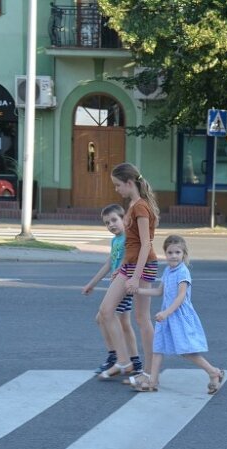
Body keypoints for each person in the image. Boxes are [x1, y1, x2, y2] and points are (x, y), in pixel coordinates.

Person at [132, 235, 224, 394]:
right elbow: (159, 291)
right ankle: (152, 381)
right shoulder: (168, 270)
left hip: (178, 316)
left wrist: (166, 312)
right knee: (158, 347)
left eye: (177, 252)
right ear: (165, 254)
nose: (173, 256)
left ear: (184, 254)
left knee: (186, 351)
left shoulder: (183, 272)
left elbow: (181, 296)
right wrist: (139, 290)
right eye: (170, 252)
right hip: (166, 317)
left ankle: (213, 372)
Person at [97, 163, 159, 385]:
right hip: (131, 265)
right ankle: (126, 363)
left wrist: (133, 276)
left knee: (141, 319)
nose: (116, 190)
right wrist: (121, 269)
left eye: (117, 185)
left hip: (141, 265)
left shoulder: (141, 207)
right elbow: (130, 244)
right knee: (107, 311)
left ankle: (149, 373)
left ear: (130, 183)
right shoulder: (134, 205)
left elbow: (145, 244)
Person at [82, 204, 141, 377]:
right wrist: (91, 283)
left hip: (124, 285)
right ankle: (134, 361)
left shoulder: (128, 238)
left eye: (114, 220)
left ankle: (116, 357)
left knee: (102, 317)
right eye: (107, 223)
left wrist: (121, 272)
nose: (111, 225)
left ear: (124, 219)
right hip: (117, 284)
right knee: (124, 324)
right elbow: (109, 263)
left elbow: (129, 260)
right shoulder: (115, 240)